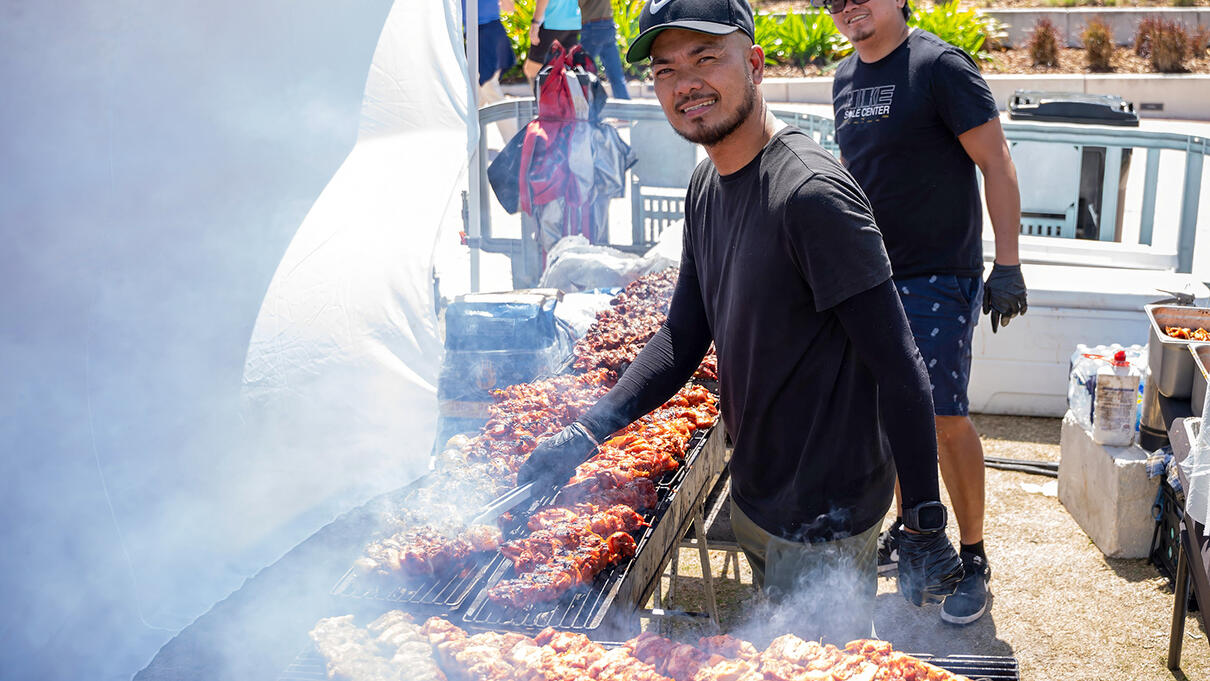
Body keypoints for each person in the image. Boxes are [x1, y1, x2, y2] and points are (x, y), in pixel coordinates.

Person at [516, 0, 964, 645]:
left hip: (825, 512)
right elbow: (679, 340)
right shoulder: (708, 183)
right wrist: (586, 433)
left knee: (817, 664)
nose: (686, 83)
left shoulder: (810, 195)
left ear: (752, 63)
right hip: (759, 492)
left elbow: (900, 365)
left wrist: (922, 518)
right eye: (666, 69)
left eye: (706, 58)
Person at [827, 0, 1027, 626]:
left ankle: (972, 559)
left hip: (940, 273)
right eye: (834, 0)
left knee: (943, 416)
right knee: (894, 415)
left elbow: (995, 161)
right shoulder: (843, 79)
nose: (847, 6)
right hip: (871, 277)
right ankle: (913, 527)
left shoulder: (938, 66)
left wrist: (1009, 264)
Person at [464, 0, 519, 140]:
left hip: (484, 32)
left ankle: (516, 140)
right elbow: (509, 7)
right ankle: (471, 138)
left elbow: (508, 6)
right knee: (478, 94)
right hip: (489, 30)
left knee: (490, 89)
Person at [578, 0, 631, 99]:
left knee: (583, 71)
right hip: (608, 24)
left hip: (592, 26)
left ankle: (588, 106)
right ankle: (625, 106)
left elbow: (578, 4)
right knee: (615, 74)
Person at [523, 0, 582, 85]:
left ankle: (542, 96)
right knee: (567, 66)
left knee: (531, 69)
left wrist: (535, 23)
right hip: (573, 22)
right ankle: (562, 95)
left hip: (551, 22)